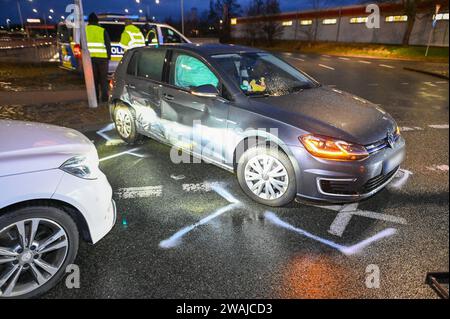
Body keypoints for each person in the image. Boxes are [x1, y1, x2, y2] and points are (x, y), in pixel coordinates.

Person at [86, 12, 111, 103]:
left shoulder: (85, 31)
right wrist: (108, 57)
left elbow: (82, 46)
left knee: (93, 81)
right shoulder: (102, 30)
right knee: (103, 80)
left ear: (89, 21)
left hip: (90, 60)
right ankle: (104, 99)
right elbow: (108, 45)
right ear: (97, 21)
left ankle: (95, 99)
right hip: (103, 59)